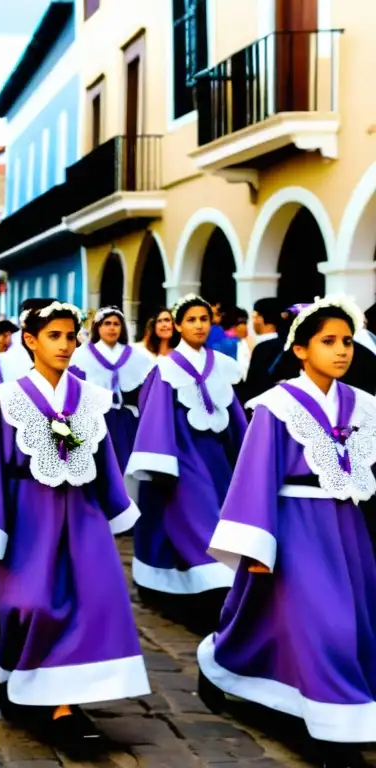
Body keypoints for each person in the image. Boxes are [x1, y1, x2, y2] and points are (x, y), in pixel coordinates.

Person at [0, 300, 148, 749]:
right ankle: (20, 678)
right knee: (30, 604)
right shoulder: (10, 400)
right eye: (54, 336)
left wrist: (115, 506)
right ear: (31, 342)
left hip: (81, 516)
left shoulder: (89, 398)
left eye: (71, 336)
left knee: (92, 600)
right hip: (27, 518)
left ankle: (64, 706)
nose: (65, 344)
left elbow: (102, 457)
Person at [197, 296, 376, 767]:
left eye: (347, 342)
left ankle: (226, 666)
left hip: (346, 528)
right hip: (294, 528)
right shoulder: (276, 406)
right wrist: (256, 544)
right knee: (326, 626)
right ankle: (331, 733)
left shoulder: (364, 405)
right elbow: (254, 477)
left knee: (352, 624)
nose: (342, 351)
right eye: (328, 342)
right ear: (301, 348)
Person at [126, 295, 245, 631]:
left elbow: (233, 416)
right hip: (181, 458)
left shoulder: (222, 365)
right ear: (177, 325)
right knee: (200, 519)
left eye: (204, 319)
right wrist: (162, 461)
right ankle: (215, 592)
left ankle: (209, 594)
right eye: (191, 319)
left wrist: (247, 455)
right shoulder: (164, 369)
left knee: (214, 520)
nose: (198, 325)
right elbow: (154, 416)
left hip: (217, 460)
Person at [69, 307, 153, 474]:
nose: (112, 328)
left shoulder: (136, 356)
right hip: (95, 418)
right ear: (98, 327)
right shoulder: (82, 355)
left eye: (116, 324)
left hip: (124, 420)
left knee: (124, 465)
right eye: (107, 323)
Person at [239, 298, 285, 404]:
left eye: (254, 317)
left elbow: (254, 384)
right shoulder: (288, 344)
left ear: (260, 318)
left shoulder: (262, 348)